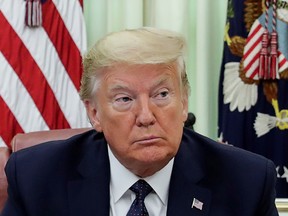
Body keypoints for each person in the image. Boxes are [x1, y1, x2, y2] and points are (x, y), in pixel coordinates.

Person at [2, 27, 278, 216]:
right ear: (94, 113)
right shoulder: (35, 177)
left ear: (184, 103)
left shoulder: (246, 181)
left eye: (161, 94)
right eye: (124, 99)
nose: (146, 117)